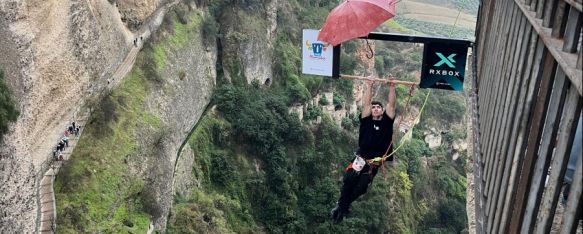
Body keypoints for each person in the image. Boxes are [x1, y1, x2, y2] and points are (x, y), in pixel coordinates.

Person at [331, 77, 396, 224]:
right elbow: (366, 104)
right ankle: (341, 208)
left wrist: (392, 87)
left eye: (378, 107)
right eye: (373, 107)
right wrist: (369, 85)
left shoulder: (387, 122)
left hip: (373, 163)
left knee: (361, 187)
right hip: (361, 158)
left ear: (382, 110)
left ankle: (342, 206)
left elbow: (391, 105)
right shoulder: (366, 120)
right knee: (349, 180)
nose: (375, 109)